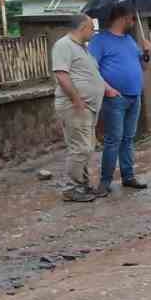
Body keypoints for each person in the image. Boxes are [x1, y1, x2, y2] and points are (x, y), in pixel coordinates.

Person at [89, 5, 151, 192]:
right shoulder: (99, 40)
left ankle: (128, 176)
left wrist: (147, 53)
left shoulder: (130, 41)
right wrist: (107, 88)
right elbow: (92, 69)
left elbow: (144, 67)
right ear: (123, 18)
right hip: (115, 98)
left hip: (135, 96)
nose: (134, 22)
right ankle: (105, 181)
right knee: (113, 139)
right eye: (132, 18)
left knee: (128, 138)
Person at [51, 14, 108, 202]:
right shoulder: (64, 45)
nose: (94, 32)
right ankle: (72, 187)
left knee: (86, 147)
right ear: (83, 27)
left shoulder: (83, 48)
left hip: (88, 107)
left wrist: (106, 89)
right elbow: (61, 75)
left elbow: (91, 74)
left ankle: (82, 186)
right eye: (92, 28)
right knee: (81, 148)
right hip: (75, 106)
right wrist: (76, 100)